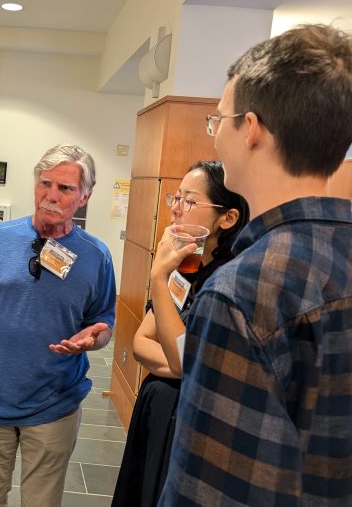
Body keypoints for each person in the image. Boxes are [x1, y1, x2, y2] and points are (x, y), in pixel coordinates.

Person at [158, 24, 352, 505]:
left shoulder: (242, 292)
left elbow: (211, 489)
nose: (216, 134)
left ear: (251, 128)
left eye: (219, 119)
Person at [0, 144, 116, 507]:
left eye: (65, 188)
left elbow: (103, 322)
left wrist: (93, 339)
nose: (51, 196)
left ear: (86, 196)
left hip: (54, 404)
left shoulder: (96, 256)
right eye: (45, 183)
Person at [112, 160, 248, 507]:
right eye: (176, 197)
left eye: (189, 201)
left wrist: (158, 277)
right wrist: (179, 364)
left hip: (189, 420)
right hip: (156, 408)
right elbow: (142, 342)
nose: (174, 208)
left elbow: (187, 362)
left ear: (227, 218)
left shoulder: (227, 279)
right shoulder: (184, 270)